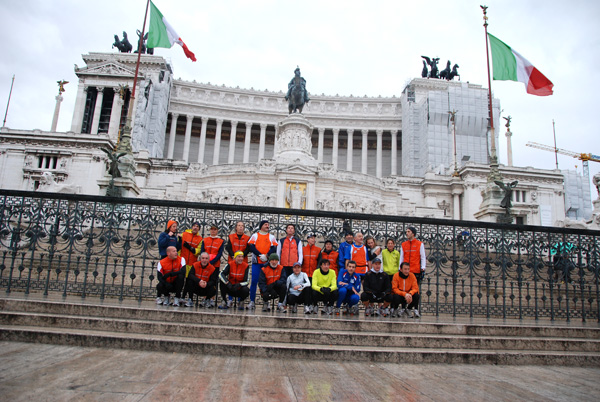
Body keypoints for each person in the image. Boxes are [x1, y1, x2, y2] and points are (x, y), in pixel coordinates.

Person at [247, 220, 278, 310]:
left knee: (266, 283)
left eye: (268, 225)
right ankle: (252, 301)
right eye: (265, 224)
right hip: (257, 262)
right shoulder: (255, 235)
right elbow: (251, 246)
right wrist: (259, 255)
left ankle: (266, 302)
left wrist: (267, 255)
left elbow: (274, 247)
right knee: (254, 282)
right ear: (261, 226)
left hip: (266, 263)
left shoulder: (271, 236)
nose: (267, 226)